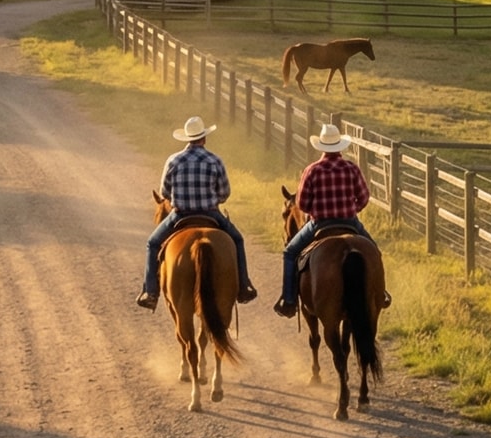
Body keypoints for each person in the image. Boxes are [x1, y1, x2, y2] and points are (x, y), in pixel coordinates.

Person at [140, 116, 256, 309]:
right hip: (211, 214)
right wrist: (213, 198)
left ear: (187, 138)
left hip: (180, 216)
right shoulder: (214, 160)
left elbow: (164, 193)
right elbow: (225, 192)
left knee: (152, 244)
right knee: (237, 240)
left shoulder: (173, 160)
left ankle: (150, 292)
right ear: (204, 138)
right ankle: (244, 286)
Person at [275, 123, 371, 317]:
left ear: (322, 147)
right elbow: (364, 197)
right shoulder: (351, 168)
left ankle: (289, 299)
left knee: (290, 252)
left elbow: (301, 203)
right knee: (373, 250)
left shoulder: (312, 170)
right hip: (349, 222)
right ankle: (380, 293)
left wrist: (315, 211)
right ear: (339, 146)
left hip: (320, 224)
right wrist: (352, 210)